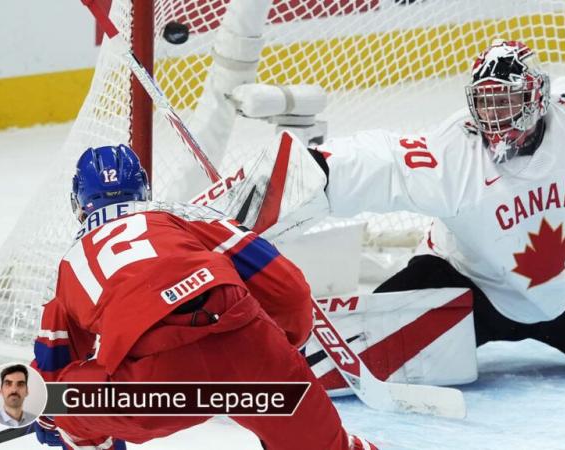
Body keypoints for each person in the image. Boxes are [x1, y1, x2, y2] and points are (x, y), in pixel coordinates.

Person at [307, 40, 565, 368]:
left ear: (537, 96)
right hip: (463, 287)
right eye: (486, 102)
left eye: (507, 100)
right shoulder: (453, 152)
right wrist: (314, 169)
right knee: (351, 358)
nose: (494, 115)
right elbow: (381, 161)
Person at [31, 145, 377, 450]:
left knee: (66, 403)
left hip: (160, 388)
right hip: (252, 350)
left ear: (78, 203)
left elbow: (52, 367)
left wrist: (51, 420)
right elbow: (291, 291)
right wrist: (281, 353)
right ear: (144, 189)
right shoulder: (187, 216)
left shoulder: (69, 264)